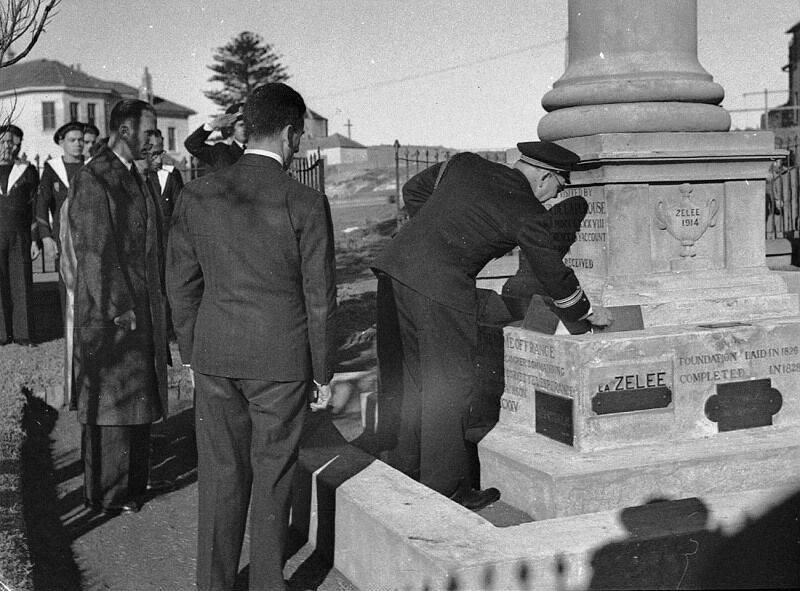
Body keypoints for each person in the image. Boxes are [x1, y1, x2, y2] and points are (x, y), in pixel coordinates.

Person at [370, 142, 613, 511]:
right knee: (451, 383)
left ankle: (407, 466)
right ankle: (448, 488)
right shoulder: (526, 208)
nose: (551, 199)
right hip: (440, 287)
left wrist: (442, 233)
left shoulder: (465, 165)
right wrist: (584, 310)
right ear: (545, 178)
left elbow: (413, 190)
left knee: (415, 376)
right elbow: (551, 270)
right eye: (557, 189)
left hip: (395, 271)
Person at [167, 82, 336, 591]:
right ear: (288, 134)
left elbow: (181, 284)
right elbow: (320, 299)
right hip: (281, 362)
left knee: (220, 479)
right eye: (300, 135)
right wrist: (322, 371)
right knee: (273, 478)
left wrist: (193, 354)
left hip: (216, 355)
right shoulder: (305, 201)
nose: (301, 145)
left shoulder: (198, 193)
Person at [68, 99, 169, 516]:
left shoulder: (137, 176)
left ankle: (130, 488)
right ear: (125, 131)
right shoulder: (96, 177)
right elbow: (94, 253)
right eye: (149, 132)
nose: (154, 139)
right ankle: (107, 495)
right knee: (111, 406)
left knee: (135, 400)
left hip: (139, 308)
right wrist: (119, 307)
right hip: (112, 314)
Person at [35, 122, 85, 317]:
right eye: (72, 140)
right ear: (62, 142)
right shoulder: (52, 169)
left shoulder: (89, 167)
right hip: (63, 236)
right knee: (67, 281)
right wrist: (46, 238)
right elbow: (41, 205)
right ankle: (71, 329)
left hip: (87, 235)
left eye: (81, 140)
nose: (78, 144)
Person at [0, 125, 39, 346]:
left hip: (20, 235)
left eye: (15, 143)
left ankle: (23, 333)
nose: (9, 147)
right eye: (4, 142)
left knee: (21, 282)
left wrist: (35, 239)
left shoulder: (27, 171)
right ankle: (2, 334)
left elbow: (34, 206)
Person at [142, 128, 183, 241]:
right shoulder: (130, 178)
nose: (159, 161)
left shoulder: (170, 176)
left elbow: (179, 214)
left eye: (161, 154)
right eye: (154, 155)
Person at [184, 102, 247, 173]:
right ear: (231, 129)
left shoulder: (260, 150)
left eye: (249, 125)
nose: (246, 128)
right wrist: (213, 125)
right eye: (241, 125)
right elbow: (191, 144)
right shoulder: (221, 152)